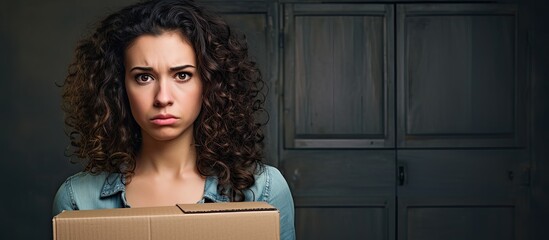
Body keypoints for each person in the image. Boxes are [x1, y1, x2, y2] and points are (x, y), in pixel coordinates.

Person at [52, 0, 295, 239]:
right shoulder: (78, 199)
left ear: (208, 83)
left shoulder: (263, 190)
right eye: (144, 77)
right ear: (118, 87)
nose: (163, 98)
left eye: (182, 75)